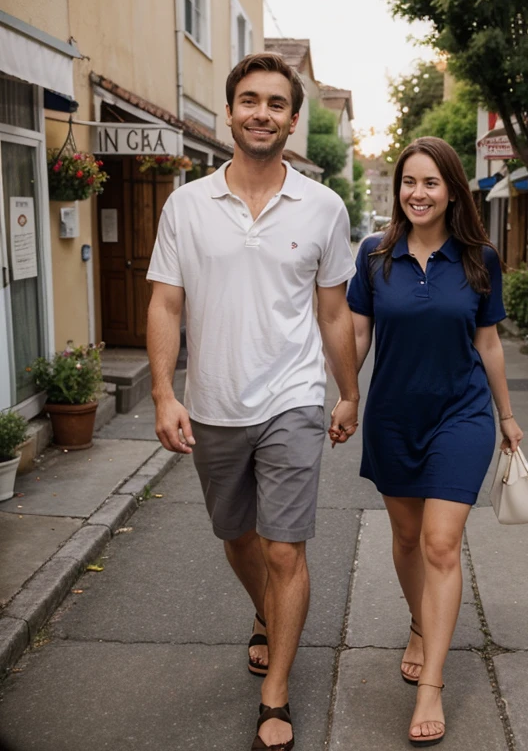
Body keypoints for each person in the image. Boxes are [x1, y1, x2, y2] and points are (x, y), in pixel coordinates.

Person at [146, 53, 359, 751]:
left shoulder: (325, 208)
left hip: (292, 399)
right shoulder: (186, 205)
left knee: (284, 548)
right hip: (212, 404)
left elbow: (332, 315)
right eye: (248, 100)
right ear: (230, 111)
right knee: (237, 538)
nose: (261, 112)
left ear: (293, 120)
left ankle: (276, 696)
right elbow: (166, 304)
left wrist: (347, 392)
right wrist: (163, 393)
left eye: (275, 102)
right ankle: (268, 616)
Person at [346, 137, 524, 747]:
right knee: (404, 538)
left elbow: (489, 343)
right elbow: (359, 337)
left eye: (430, 183)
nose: (417, 194)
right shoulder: (375, 255)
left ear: (452, 190)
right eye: (407, 182)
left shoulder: (479, 258)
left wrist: (506, 417)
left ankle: (432, 687)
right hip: (395, 416)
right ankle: (421, 625)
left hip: (462, 414)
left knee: (440, 544)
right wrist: (347, 395)